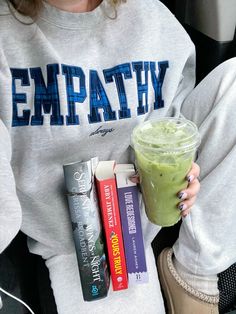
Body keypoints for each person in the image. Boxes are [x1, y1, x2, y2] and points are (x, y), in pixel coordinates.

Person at [0, 0, 235, 313]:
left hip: (148, 206)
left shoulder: (152, 17)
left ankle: (194, 274)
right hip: (75, 244)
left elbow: (174, 122)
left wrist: (184, 167)